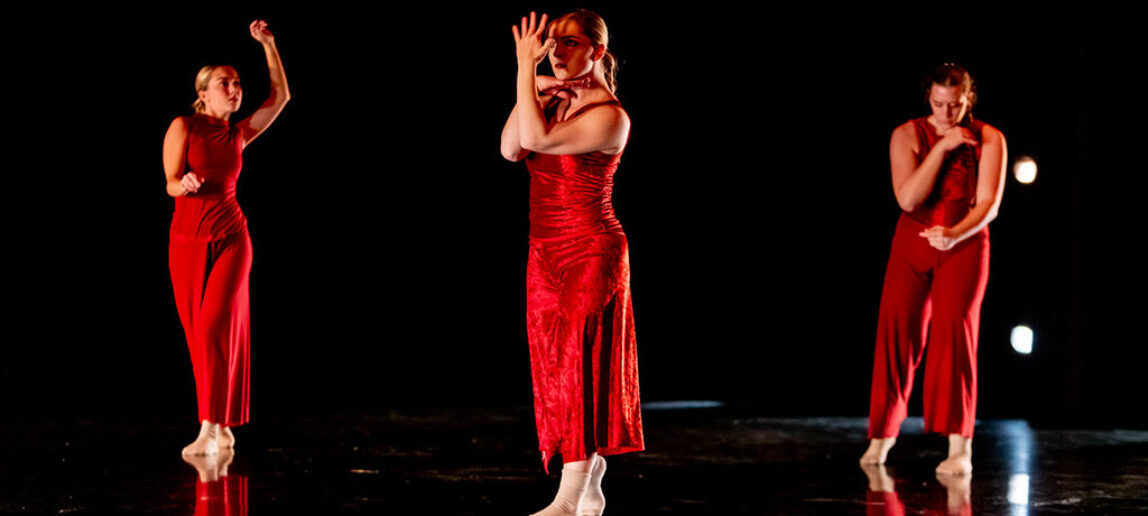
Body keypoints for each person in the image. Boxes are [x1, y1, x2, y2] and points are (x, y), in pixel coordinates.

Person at [501, 10, 643, 516]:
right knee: (553, 369)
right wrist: (536, 87)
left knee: (579, 367)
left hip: (591, 249)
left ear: (597, 52)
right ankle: (590, 475)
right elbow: (511, 147)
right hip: (545, 252)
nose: (555, 52)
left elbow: (536, 141)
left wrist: (525, 69)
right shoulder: (554, 102)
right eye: (551, 43)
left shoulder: (611, 116)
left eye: (568, 43)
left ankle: (569, 496)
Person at [860, 63, 1006, 476]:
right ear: (928, 97)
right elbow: (908, 199)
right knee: (896, 332)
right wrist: (941, 147)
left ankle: (960, 448)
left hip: (964, 241)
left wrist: (955, 234)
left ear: (967, 100)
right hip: (913, 242)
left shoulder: (990, 137)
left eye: (955, 106)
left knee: (955, 333)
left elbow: (988, 205)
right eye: (939, 104)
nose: (946, 114)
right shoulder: (907, 134)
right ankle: (881, 439)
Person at [163, 20, 290, 456]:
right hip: (186, 242)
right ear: (203, 92)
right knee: (200, 335)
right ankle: (221, 426)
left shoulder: (238, 134)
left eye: (237, 83)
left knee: (218, 325)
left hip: (232, 239)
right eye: (224, 83)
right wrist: (186, 184)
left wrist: (269, 46)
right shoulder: (184, 126)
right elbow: (169, 183)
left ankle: (210, 427)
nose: (234, 89)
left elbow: (281, 98)